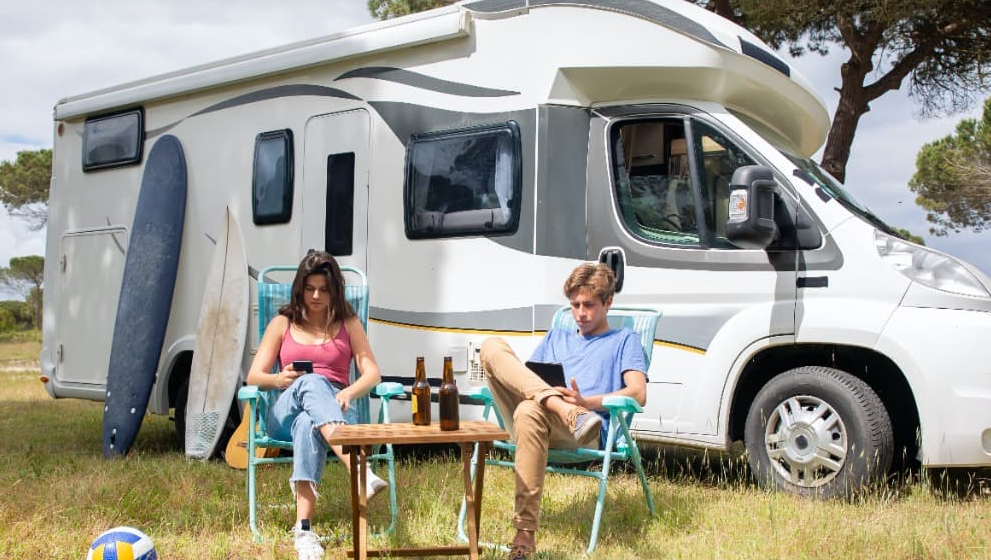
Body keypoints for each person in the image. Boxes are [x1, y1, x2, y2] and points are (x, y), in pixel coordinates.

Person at [480, 263, 647, 560]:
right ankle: (558, 405)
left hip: (584, 428)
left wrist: (585, 404)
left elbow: (638, 392)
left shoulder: (624, 340)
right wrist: (558, 401)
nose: (580, 313)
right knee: (491, 346)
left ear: (608, 302)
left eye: (589, 305)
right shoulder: (556, 336)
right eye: (574, 305)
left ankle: (524, 535)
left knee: (529, 410)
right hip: (537, 417)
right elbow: (526, 381)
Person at [246, 251, 387, 560]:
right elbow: (254, 376)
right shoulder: (282, 323)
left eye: (324, 289)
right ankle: (359, 471)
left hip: (335, 408)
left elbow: (372, 373)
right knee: (310, 382)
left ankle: (304, 529)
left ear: (334, 290)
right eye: (309, 288)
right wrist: (280, 379)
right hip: (285, 410)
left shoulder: (348, 323)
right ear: (299, 288)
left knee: (308, 425)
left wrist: (349, 392)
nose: (315, 296)